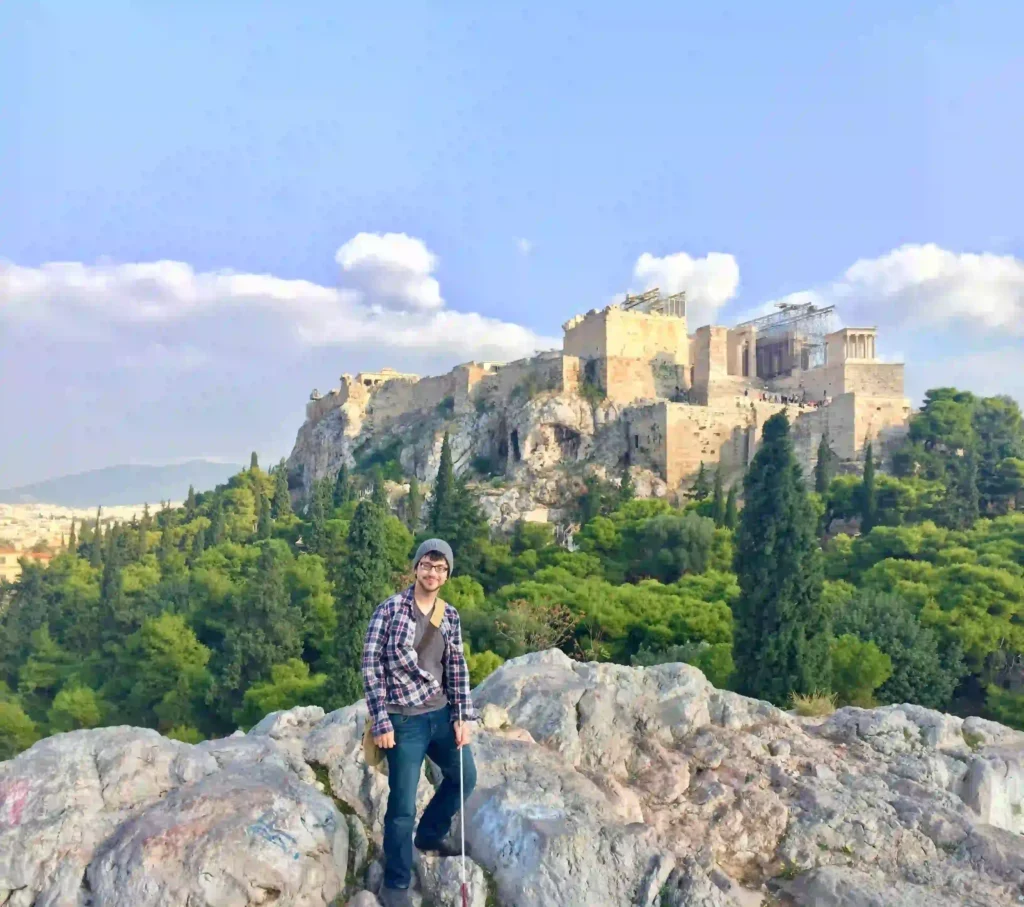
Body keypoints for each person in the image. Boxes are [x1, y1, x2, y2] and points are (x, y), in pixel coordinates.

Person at [361, 538, 479, 907]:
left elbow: (456, 667)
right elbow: (371, 666)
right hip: (404, 719)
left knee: (464, 776)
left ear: (447, 575)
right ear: (416, 568)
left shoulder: (449, 615)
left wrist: (461, 716)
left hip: (440, 713)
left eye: (441, 568)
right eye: (427, 565)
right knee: (402, 807)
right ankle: (396, 883)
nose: (432, 573)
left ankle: (429, 835)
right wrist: (381, 721)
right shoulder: (390, 610)